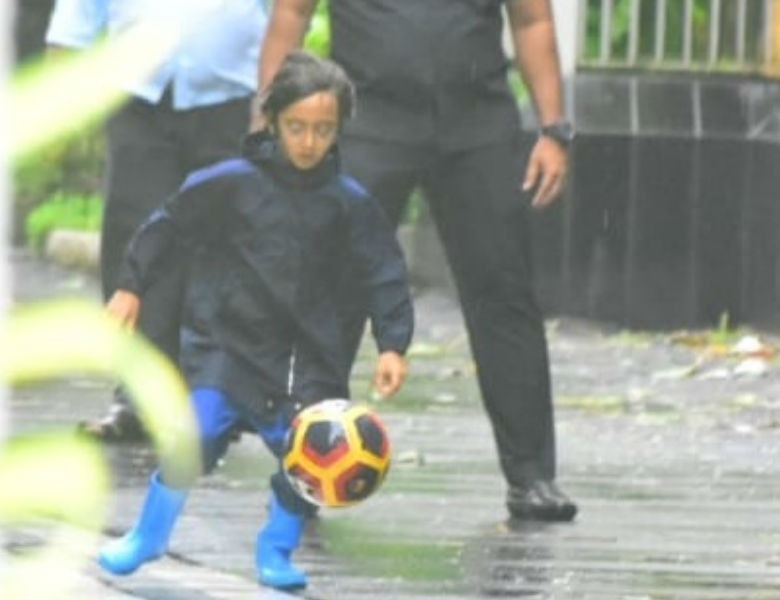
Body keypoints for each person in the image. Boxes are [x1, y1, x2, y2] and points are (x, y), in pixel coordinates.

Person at [96, 50, 414, 590]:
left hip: (306, 360)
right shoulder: (230, 183)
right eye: (296, 127)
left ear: (340, 130)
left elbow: (383, 271)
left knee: (308, 454)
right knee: (192, 436)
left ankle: (276, 548)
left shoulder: (350, 204)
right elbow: (168, 224)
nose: (308, 142)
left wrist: (392, 344)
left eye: (323, 130)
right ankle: (148, 534)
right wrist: (131, 286)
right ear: (272, 120)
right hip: (228, 345)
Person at [257, 0, 577, 522]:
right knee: (332, 295)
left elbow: (532, 19)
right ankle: (304, 471)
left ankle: (532, 476)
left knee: (503, 292)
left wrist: (553, 129)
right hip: (366, 120)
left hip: (478, 124)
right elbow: (291, 15)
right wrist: (269, 126)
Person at [44, 0, 269, 441]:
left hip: (229, 100)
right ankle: (137, 396)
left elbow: (286, 13)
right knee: (136, 237)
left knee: (218, 244)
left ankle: (211, 395)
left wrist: (277, 94)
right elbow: (75, 17)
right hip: (138, 97)